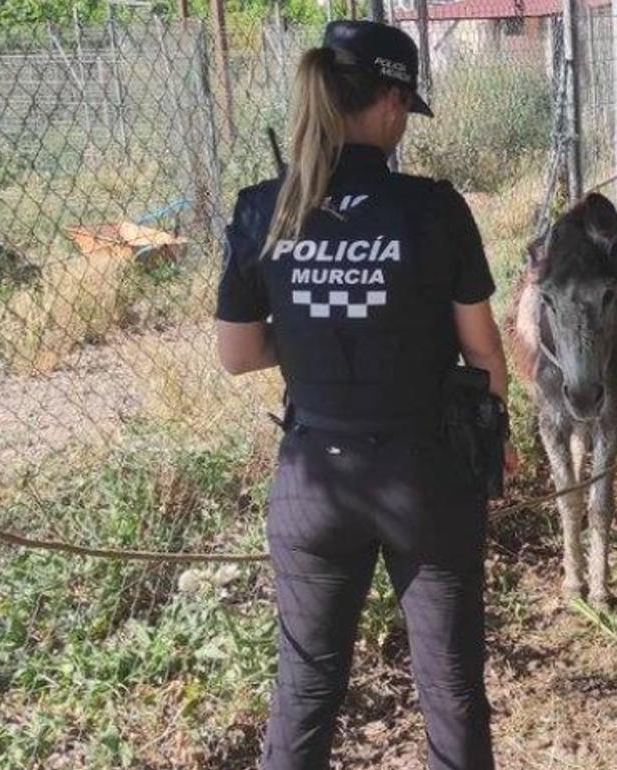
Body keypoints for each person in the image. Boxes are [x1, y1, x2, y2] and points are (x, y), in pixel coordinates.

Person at [215, 19, 515, 770]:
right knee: (449, 686)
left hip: (313, 480)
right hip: (426, 478)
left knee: (306, 688)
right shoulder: (433, 209)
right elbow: (483, 351)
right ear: (389, 102)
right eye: (404, 112)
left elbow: (239, 353)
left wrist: (322, 328)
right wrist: (495, 441)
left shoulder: (262, 207)